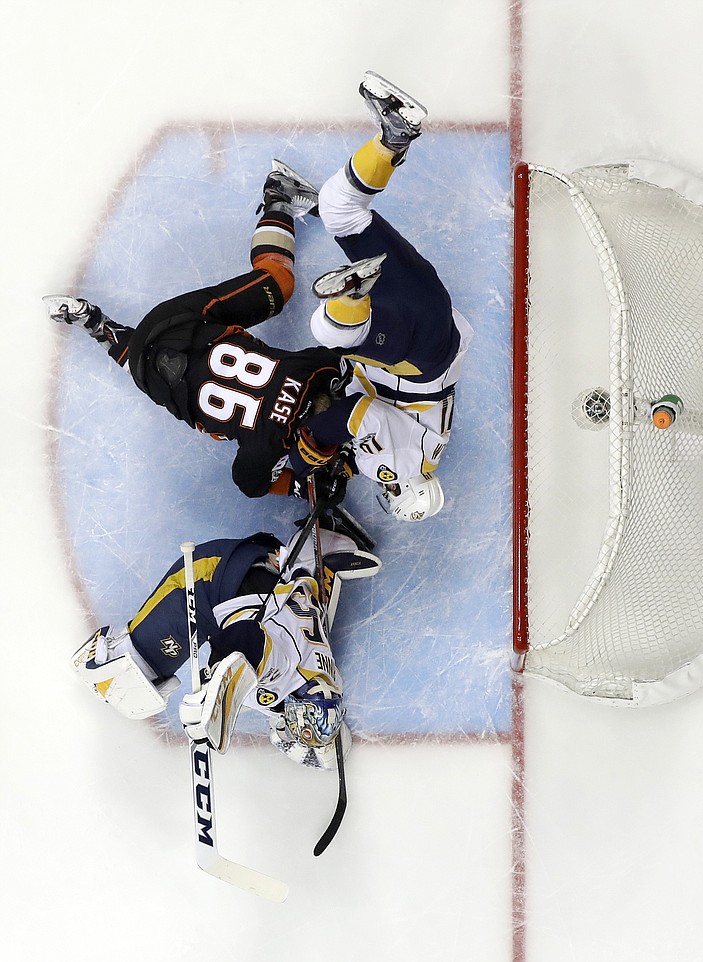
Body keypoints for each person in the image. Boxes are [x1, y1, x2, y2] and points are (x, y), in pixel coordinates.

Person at [43, 162, 352, 501]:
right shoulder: (261, 446)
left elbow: (337, 369)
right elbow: (248, 481)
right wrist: (300, 483)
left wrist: (301, 485)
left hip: (182, 322)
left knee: (277, 281)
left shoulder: (308, 375)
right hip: (148, 369)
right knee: (156, 370)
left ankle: (279, 197)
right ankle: (94, 323)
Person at [298, 71, 474, 522]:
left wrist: (346, 465)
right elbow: (362, 418)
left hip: (433, 311)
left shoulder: (425, 458)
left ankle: (394, 136)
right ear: (400, 492)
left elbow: (373, 426)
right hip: (413, 352)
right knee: (328, 331)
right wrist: (312, 448)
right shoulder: (399, 469)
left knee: (341, 209)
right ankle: (352, 294)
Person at [70, 516, 381, 769]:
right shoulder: (282, 668)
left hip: (275, 577)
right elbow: (243, 640)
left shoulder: (326, 681)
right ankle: (116, 652)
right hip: (217, 577)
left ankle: (314, 549)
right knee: (131, 673)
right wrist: (213, 700)